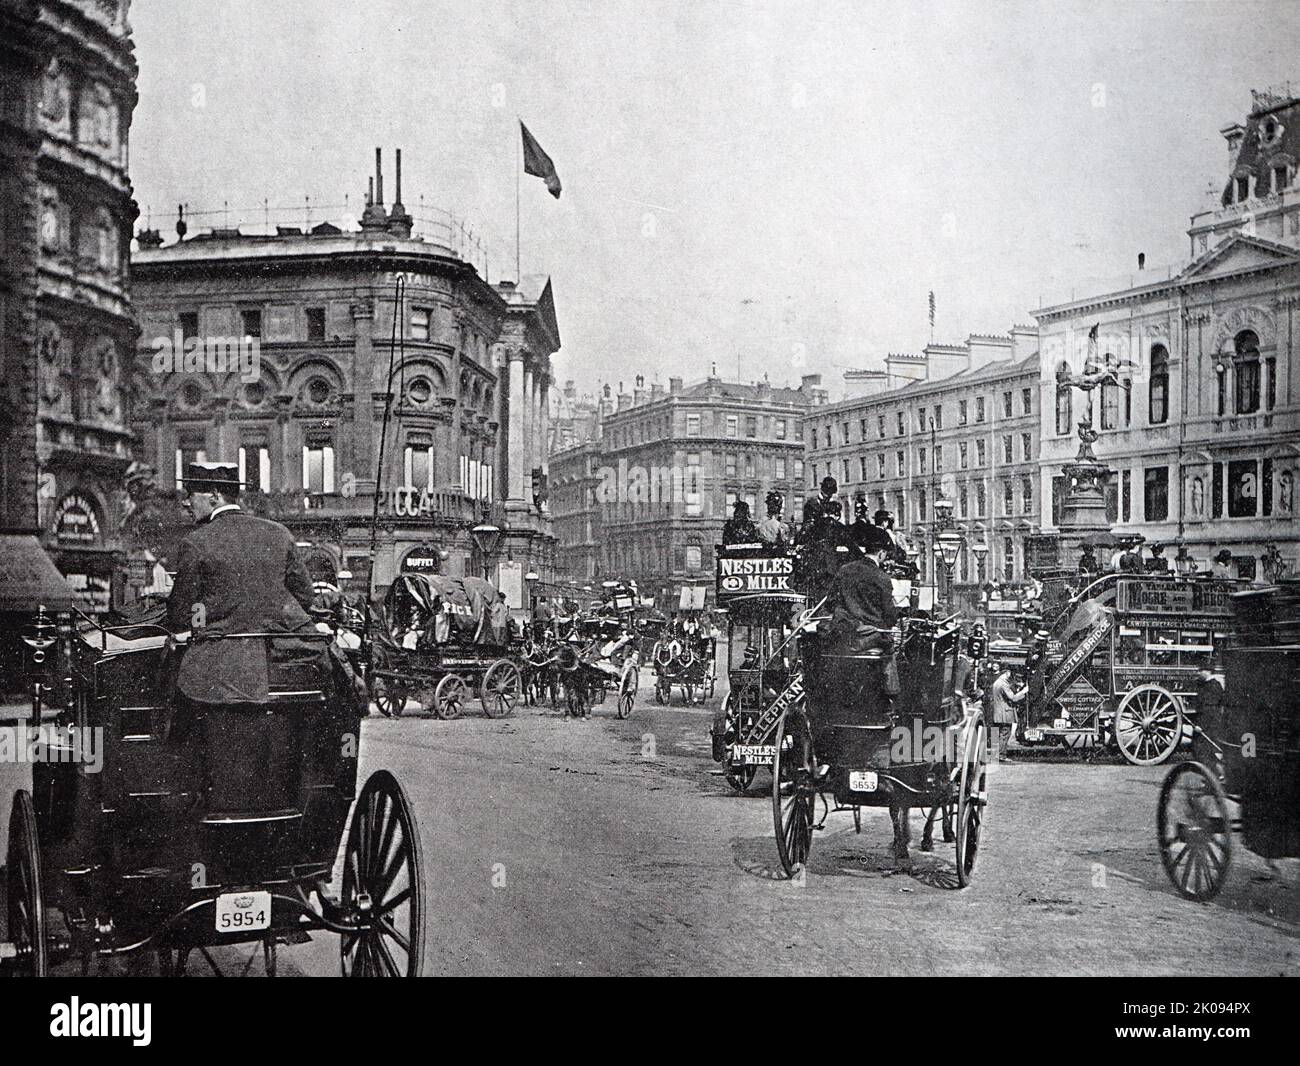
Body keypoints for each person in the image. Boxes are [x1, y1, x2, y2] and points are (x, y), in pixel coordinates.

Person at [166, 462, 326, 705]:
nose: (186, 503)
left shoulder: (196, 542)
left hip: (217, 678)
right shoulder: (280, 533)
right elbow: (304, 597)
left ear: (214, 496)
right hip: (279, 665)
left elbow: (179, 614)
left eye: (190, 495)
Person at [986, 665, 1027, 761]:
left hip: (999, 712)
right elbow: (1013, 697)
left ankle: (996, 755)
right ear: (1007, 673)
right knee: (1005, 733)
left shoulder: (998, 682)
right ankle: (1001, 756)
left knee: (1000, 733)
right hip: (1004, 712)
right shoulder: (1003, 684)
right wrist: (1023, 692)